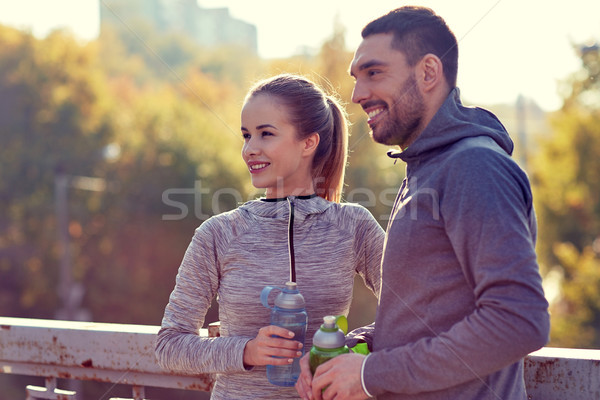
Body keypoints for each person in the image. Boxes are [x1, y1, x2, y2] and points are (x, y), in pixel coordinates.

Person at [296, 6, 550, 400]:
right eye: (356, 78)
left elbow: (518, 319)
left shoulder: (473, 166)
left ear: (428, 72)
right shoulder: (426, 167)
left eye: (374, 73)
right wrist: (356, 349)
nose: (357, 95)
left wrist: (371, 375)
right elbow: (430, 318)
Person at [155, 73, 384, 399]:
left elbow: (416, 313)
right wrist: (246, 351)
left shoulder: (353, 225)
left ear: (308, 142)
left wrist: (353, 344)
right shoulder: (219, 233)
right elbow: (170, 345)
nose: (250, 149)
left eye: (266, 134)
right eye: (247, 135)